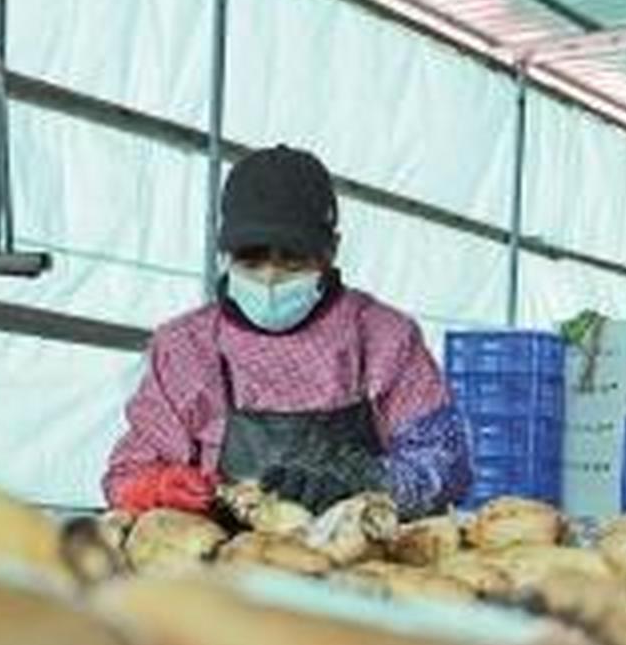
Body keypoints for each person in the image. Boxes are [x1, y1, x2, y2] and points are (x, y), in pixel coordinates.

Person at [104, 145, 471, 517]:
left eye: (293, 260)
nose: (271, 277)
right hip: (226, 566)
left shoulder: (384, 338)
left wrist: (368, 482)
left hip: (363, 559)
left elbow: (447, 465)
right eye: (252, 259)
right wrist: (156, 488)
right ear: (226, 255)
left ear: (331, 251)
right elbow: (128, 475)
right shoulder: (185, 349)